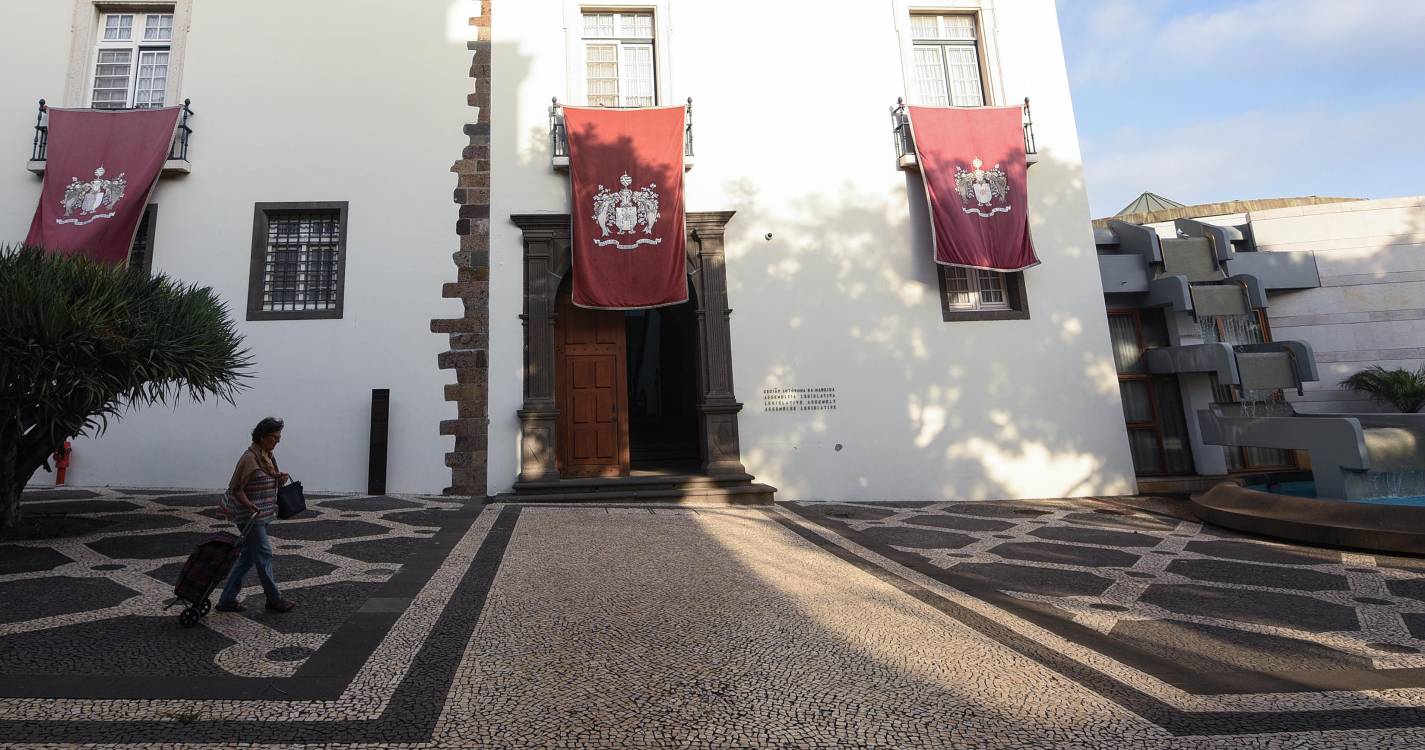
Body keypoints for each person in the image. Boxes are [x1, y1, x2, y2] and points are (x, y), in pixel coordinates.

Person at [216, 417, 296, 613]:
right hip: (251, 517)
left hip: (263, 514)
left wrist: (280, 478)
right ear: (262, 437)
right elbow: (236, 489)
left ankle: (226, 600)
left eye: (279, 438)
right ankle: (274, 599)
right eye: (275, 438)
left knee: (248, 558)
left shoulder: (266, 455)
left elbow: (266, 479)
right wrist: (250, 505)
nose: (277, 442)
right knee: (264, 554)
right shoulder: (249, 458)